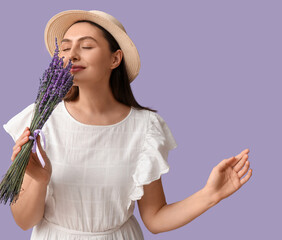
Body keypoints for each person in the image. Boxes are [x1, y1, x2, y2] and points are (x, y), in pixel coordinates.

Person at [3, 9, 253, 239]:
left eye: (87, 46)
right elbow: (25, 221)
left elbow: (155, 218)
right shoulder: (40, 121)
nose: (72, 55)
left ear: (115, 59)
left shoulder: (145, 128)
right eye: (65, 48)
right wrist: (39, 179)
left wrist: (210, 195)